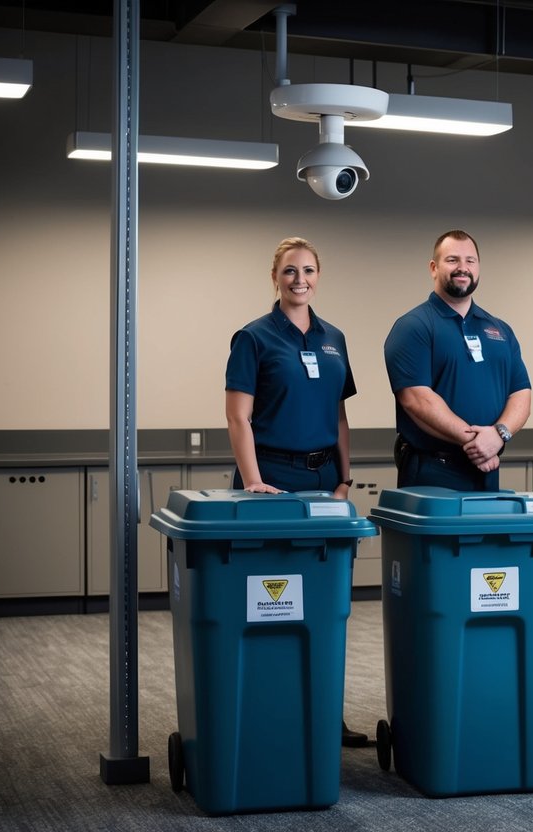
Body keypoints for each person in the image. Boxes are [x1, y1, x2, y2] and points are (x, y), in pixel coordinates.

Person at [224, 236, 367, 747]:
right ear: (275, 277)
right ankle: (272, 708)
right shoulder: (253, 338)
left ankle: (327, 714)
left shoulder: (335, 339)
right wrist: (253, 478)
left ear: (318, 275)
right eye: (289, 271)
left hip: (325, 483)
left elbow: (340, 415)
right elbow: (237, 417)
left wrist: (345, 479)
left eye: (307, 270)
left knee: (326, 604)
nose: (299, 278)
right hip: (270, 482)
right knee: (271, 600)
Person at [383, 229, 530, 490]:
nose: (462, 268)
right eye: (452, 260)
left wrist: (498, 435)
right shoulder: (413, 326)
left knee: (487, 533)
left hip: (487, 465)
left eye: (470, 261)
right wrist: (479, 443)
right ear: (433, 267)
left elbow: (521, 394)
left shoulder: (500, 330)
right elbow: (416, 399)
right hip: (433, 470)